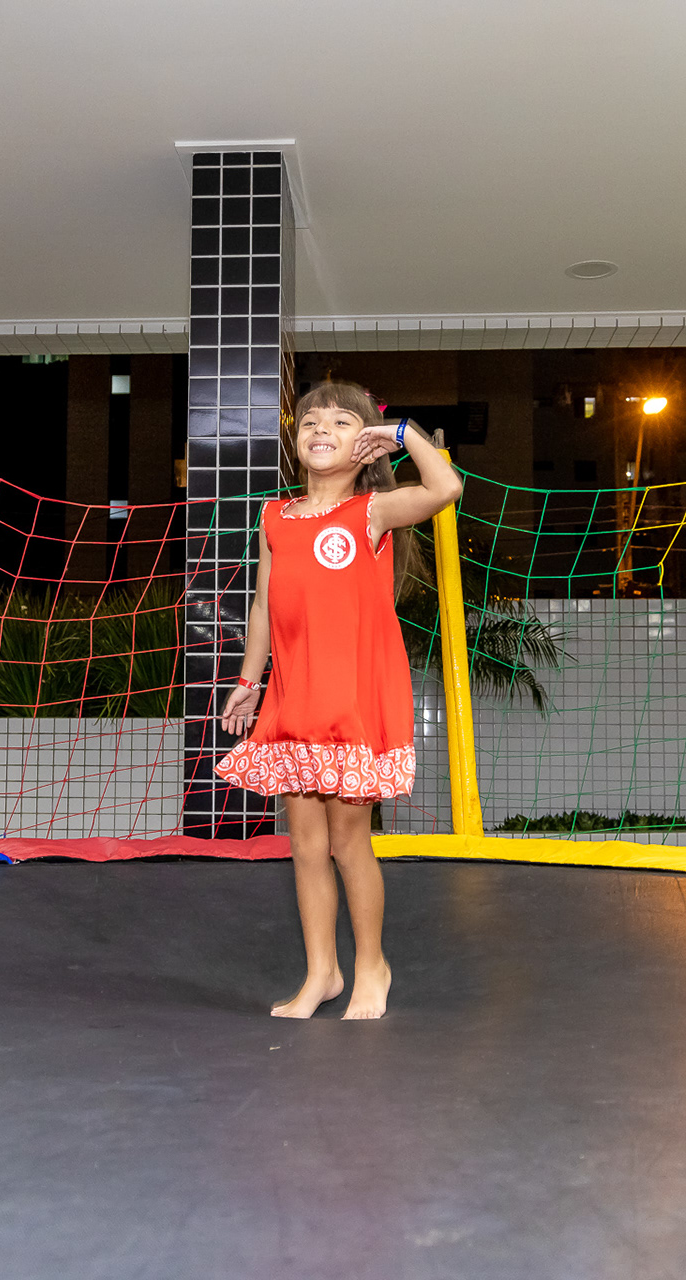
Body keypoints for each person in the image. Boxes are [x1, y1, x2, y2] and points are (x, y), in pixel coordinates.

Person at [215, 381, 462, 1019]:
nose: (321, 429)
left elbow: (445, 488)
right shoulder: (275, 517)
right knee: (304, 844)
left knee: (349, 840)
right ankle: (321, 972)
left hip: (351, 700)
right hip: (294, 698)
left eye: (342, 421)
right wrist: (248, 682)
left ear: (365, 443)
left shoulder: (371, 512)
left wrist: (400, 433)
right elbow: (264, 606)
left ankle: (371, 965)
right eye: (311, 422)